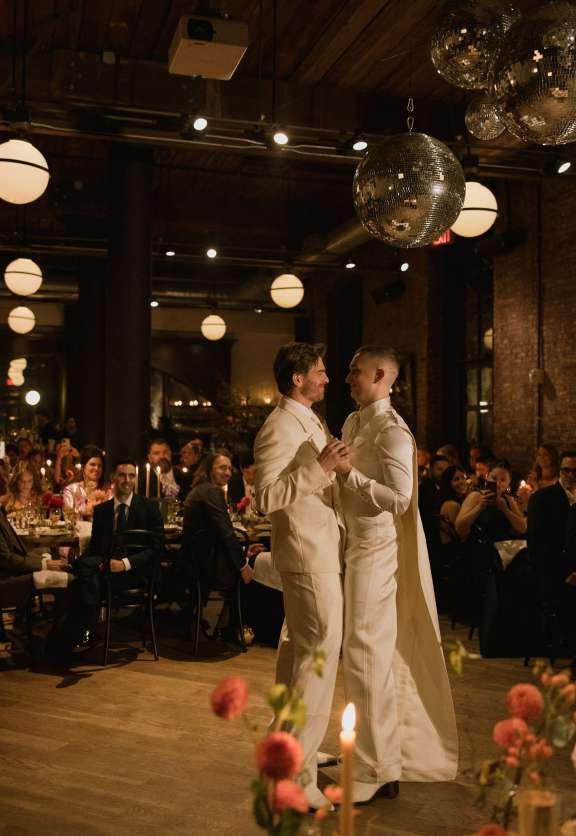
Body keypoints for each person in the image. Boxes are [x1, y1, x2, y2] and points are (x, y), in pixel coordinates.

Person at [337, 345, 458, 803]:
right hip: (352, 544)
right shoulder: (354, 422)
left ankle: (377, 767)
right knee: (360, 653)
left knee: (367, 654)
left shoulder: (392, 432)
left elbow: (402, 499)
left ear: (381, 375)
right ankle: (372, 756)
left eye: (355, 371)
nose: (348, 378)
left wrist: (348, 475)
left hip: (375, 551)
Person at [254, 342, 347, 810]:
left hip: (320, 548)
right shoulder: (278, 426)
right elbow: (265, 498)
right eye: (321, 371)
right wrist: (321, 467)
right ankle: (296, 774)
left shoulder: (309, 419)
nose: (327, 378)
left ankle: (285, 748)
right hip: (307, 554)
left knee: (297, 656)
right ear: (298, 378)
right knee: (318, 660)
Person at [50, 458, 165, 659]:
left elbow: (157, 549)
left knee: (81, 579)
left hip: (136, 575)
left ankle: (73, 636)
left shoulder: (149, 507)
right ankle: (75, 638)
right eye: (122, 475)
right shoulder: (102, 510)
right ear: (113, 478)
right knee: (87, 577)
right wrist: (97, 563)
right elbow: (95, 549)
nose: (127, 480)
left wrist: (124, 564)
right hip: (105, 572)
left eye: (131, 476)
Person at [182, 452, 263, 636]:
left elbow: (218, 535)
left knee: (251, 559)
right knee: (258, 568)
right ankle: (239, 630)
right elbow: (227, 534)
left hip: (195, 561)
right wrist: (243, 564)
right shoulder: (211, 492)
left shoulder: (201, 489)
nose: (227, 473)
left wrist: (244, 550)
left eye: (229, 469)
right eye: (222, 468)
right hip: (206, 567)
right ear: (209, 469)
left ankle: (224, 627)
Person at [528, 450, 576, 650]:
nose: (571, 475)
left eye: (575, 471)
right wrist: (566, 571)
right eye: (566, 470)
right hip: (555, 572)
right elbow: (537, 545)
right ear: (560, 470)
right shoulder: (543, 499)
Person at [455, 462, 526, 543]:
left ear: (508, 484)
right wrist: (480, 507)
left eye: (503, 480)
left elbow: (522, 528)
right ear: (487, 477)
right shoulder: (476, 496)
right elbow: (459, 528)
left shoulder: (508, 499)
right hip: (480, 545)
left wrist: (505, 510)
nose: (497, 483)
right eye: (494, 478)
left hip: (503, 547)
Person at [62, 445, 111, 518]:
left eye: (99, 466)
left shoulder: (108, 491)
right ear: (83, 467)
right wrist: (86, 510)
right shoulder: (71, 490)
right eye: (92, 464)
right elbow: (68, 515)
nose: (96, 468)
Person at [437, 466, 469, 545]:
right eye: (456, 479)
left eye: (463, 477)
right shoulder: (451, 505)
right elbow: (457, 536)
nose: (461, 481)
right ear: (448, 484)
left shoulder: (461, 500)